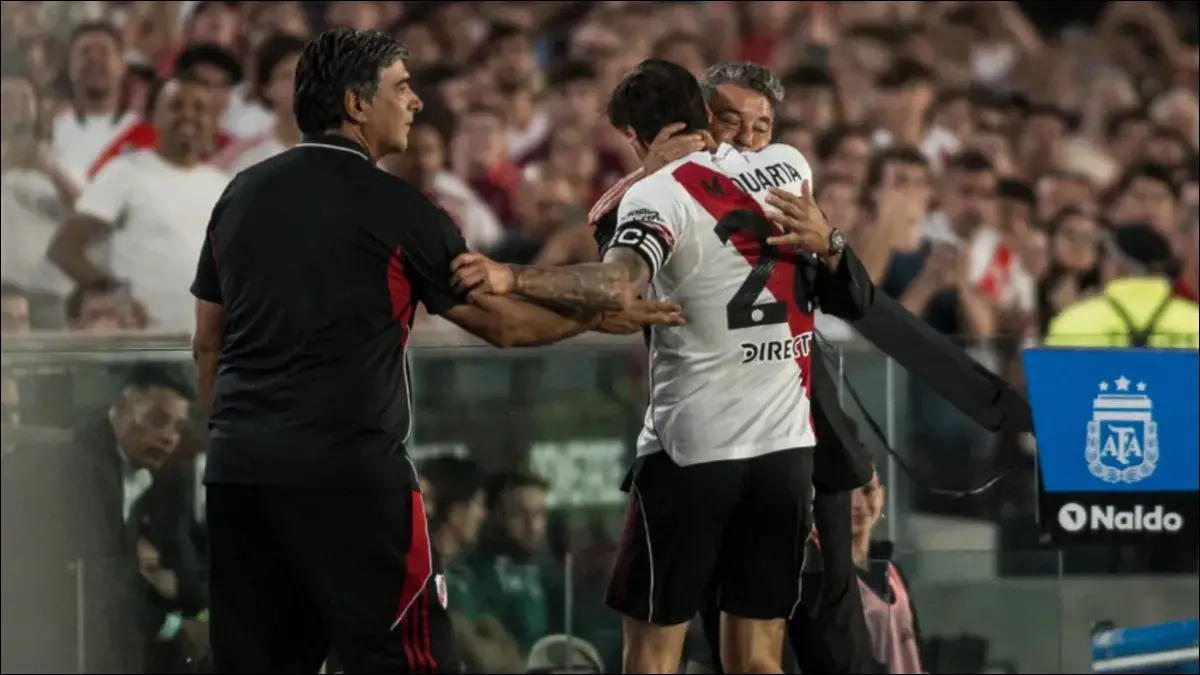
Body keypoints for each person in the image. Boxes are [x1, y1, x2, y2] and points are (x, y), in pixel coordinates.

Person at [190, 29, 682, 674]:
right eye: (401, 88)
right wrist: (598, 314)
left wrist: (236, 437)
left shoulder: (238, 195)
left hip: (239, 474)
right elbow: (502, 324)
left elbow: (207, 346)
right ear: (356, 104)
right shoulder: (398, 208)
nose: (416, 103)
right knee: (409, 659)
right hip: (352, 482)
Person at [450, 59, 874, 674]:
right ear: (706, 119)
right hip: (785, 452)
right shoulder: (790, 166)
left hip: (693, 452)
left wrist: (509, 273)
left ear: (634, 137)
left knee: (652, 658)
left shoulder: (652, 195)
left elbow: (618, 281)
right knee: (758, 658)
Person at [587, 60, 879, 675]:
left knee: (828, 641)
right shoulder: (774, 171)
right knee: (748, 653)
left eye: (762, 125)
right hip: (764, 445)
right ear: (697, 122)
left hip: (763, 446)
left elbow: (855, 300)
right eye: (730, 121)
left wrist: (831, 241)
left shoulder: (730, 193)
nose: (748, 137)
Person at [1046, 223, 1200, 348]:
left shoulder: (1072, 322)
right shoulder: (1195, 322)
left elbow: (1053, 382)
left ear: (1116, 264)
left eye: (1104, 257)